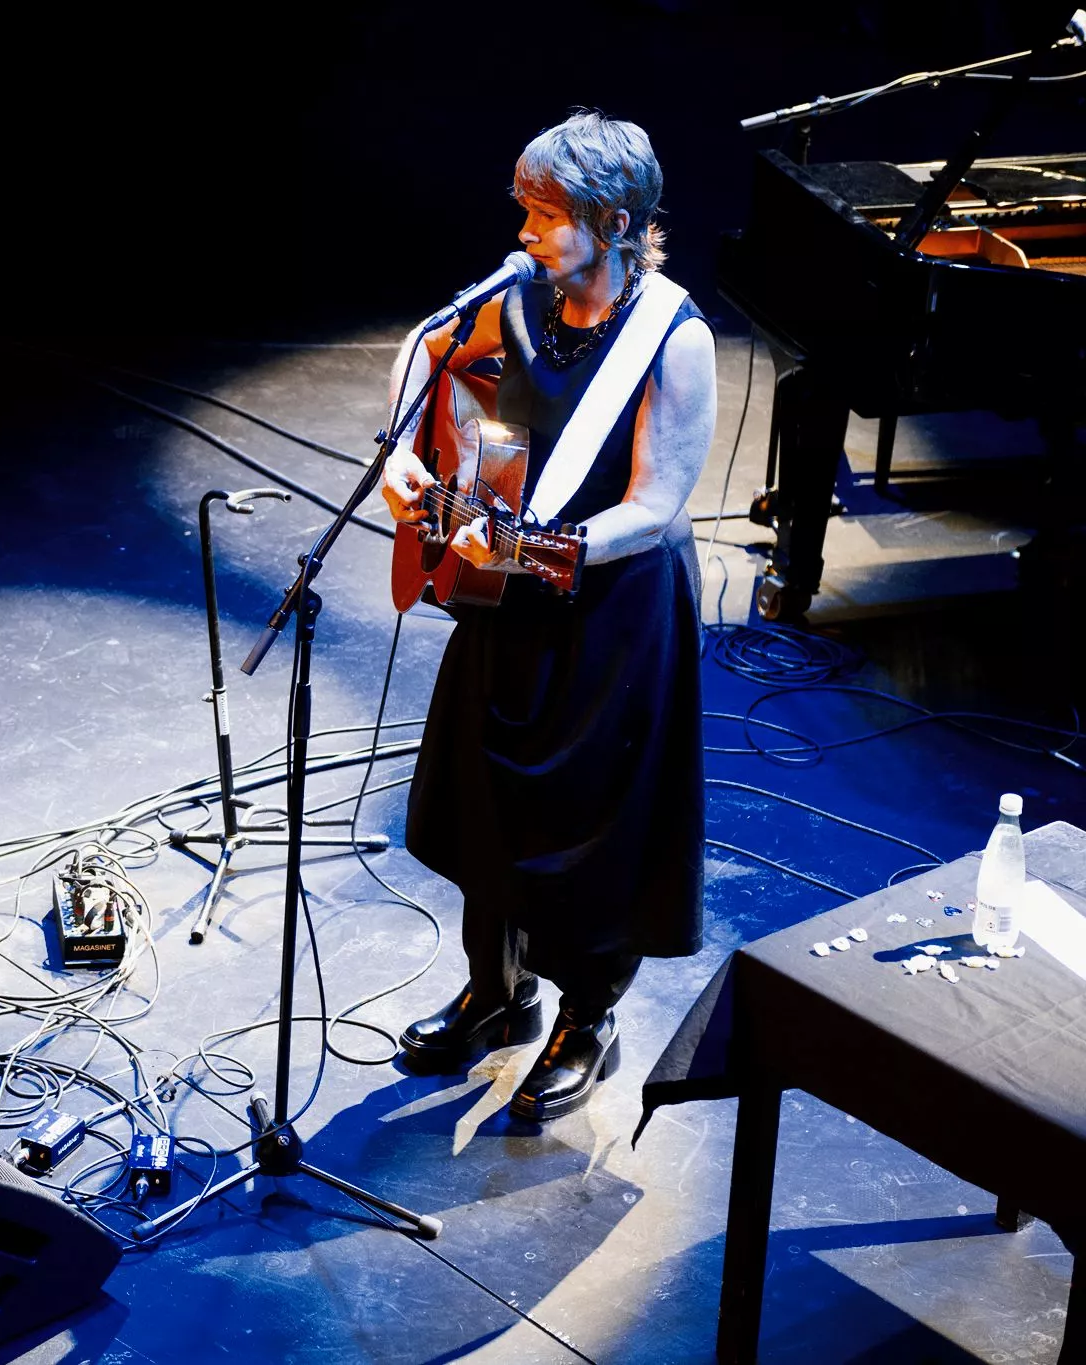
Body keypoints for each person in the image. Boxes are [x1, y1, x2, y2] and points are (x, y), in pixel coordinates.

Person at [381, 110, 717, 1122]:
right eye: (523, 207)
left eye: (545, 213)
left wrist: (535, 549)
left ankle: (586, 1019)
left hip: (613, 615)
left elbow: (653, 508)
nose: (524, 230)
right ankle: (495, 992)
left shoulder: (674, 338)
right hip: (509, 591)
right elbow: (422, 359)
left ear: (614, 221)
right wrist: (402, 458)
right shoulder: (518, 300)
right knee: (487, 797)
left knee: (591, 826)